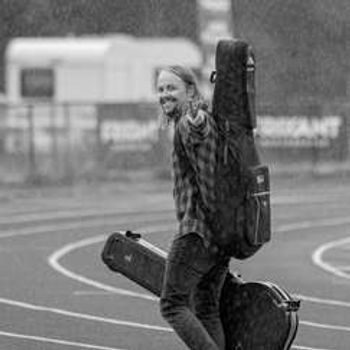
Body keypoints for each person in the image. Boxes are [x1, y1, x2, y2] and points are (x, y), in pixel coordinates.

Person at [156, 65, 230, 350]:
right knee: (206, 308)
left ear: (190, 90)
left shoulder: (191, 123)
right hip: (221, 233)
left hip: (199, 230)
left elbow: (208, 177)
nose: (164, 95)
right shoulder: (197, 119)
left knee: (172, 304)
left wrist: (213, 224)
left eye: (171, 88)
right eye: (161, 89)